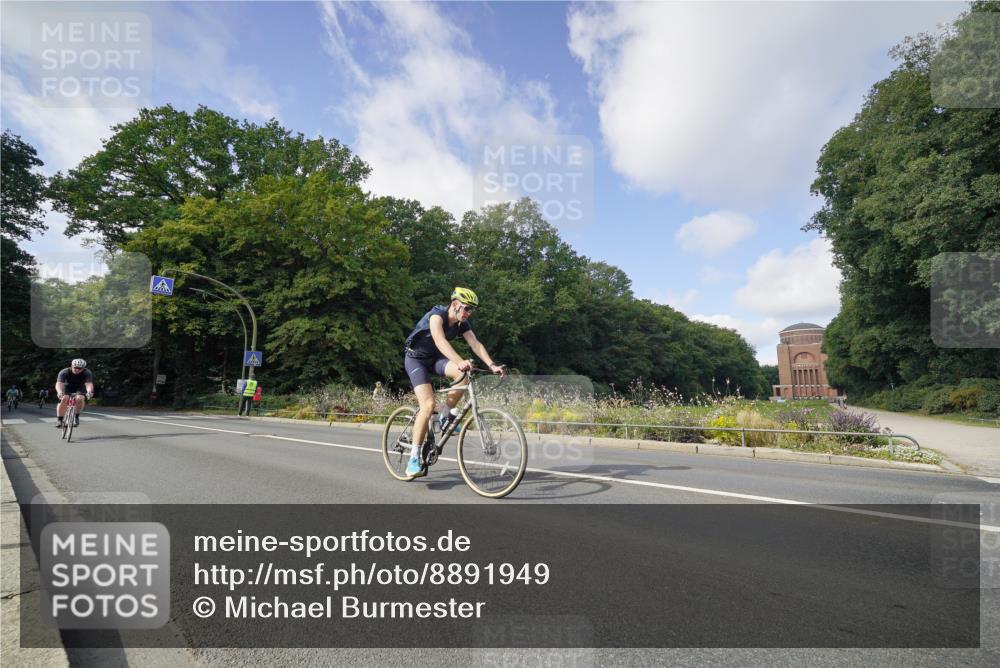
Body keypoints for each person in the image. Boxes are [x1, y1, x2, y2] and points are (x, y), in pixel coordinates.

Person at [402, 287, 505, 478]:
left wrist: (492, 365)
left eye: (472, 310)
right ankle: (413, 459)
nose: (469, 313)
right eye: (466, 308)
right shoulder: (437, 316)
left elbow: (475, 344)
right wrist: (460, 361)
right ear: (455, 304)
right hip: (416, 360)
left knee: (463, 376)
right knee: (428, 404)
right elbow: (440, 341)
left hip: (435, 360)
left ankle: (444, 415)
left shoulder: (462, 323)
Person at [54, 359, 95, 428]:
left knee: (80, 398)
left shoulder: (87, 372)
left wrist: (89, 392)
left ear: (83, 368)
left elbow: (88, 384)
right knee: (64, 398)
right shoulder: (64, 372)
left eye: (80, 368)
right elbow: (59, 383)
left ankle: (76, 416)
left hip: (80, 387)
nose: (77, 370)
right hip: (67, 386)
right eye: (75, 368)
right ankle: (59, 419)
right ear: (71, 366)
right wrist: (59, 392)